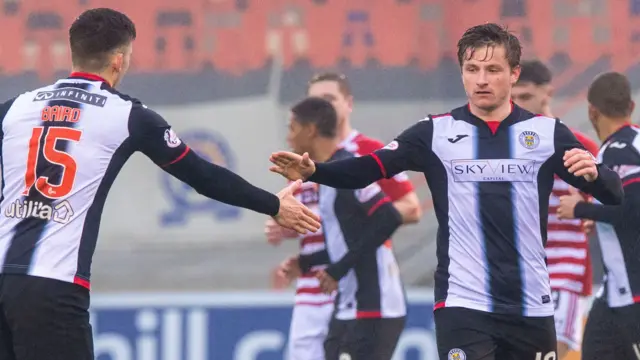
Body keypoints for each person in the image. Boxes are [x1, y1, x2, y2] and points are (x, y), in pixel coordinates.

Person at [269, 23, 624, 360]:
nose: (481, 80)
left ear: (514, 74)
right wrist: (317, 170)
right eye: (472, 69)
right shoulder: (434, 133)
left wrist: (596, 174)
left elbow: (614, 195)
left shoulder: (547, 134)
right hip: (463, 304)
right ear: (462, 73)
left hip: (531, 305)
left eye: (493, 70)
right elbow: (367, 169)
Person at [0, 8, 320, 360]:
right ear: (119, 61)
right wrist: (274, 205)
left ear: (73, 52)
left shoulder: (16, 108)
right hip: (53, 287)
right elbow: (202, 176)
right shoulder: (126, 115)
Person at [265, 72, 421, 360]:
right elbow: (342, 236)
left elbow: (392, 215)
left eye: (292, 127)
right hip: (339, 293)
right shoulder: (321, 171)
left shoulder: (356, 163)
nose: (288, 136)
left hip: (369, 296)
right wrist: (305, 259)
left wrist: (339, 267)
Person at [512, 59, 599, 359]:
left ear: (547, 93)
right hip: (518, 275)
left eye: (525, 96)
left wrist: (589, 214)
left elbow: (609, 201)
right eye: (513, 98)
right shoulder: (509, 148)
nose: (517, 104)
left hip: (564, 274)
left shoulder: (578, 145)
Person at [555, 72, 640, 360]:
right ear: (630, 107)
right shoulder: (636, 141)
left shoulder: (619, 153)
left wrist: (579, 209)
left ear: (592, 111)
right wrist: (599, 218)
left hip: (634, 289)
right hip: (614, 294)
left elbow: (633, 209)